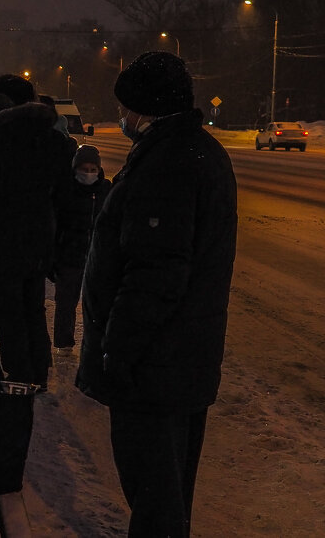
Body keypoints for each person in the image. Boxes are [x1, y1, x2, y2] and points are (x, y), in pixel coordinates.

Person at [77, 51, 237, 538]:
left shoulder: (166, 164)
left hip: (152, 368)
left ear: (145, 108)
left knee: (155, 503)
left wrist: (117, 351)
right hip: (182, 359)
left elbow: (154, 274)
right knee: (168, 498)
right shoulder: (200, 153)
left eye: (126, 108)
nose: (123, 118)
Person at [0, 74, 73, 388]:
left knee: (8, 311)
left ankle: (19, 376)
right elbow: (64, 194)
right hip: (40, 240)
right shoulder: (53, 138)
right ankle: (39, 372)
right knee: (33, 308)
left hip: (2, 239)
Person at [50, 143, 111, 355]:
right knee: (66, 301)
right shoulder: (66, 190)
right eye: (84, 169)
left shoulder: (105, 191)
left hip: (96, 255)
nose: (88, 174)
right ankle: (63, 343)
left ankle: (95, 343)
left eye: (92, 169)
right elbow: (55, 224)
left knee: (96, 303)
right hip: (69, 255)